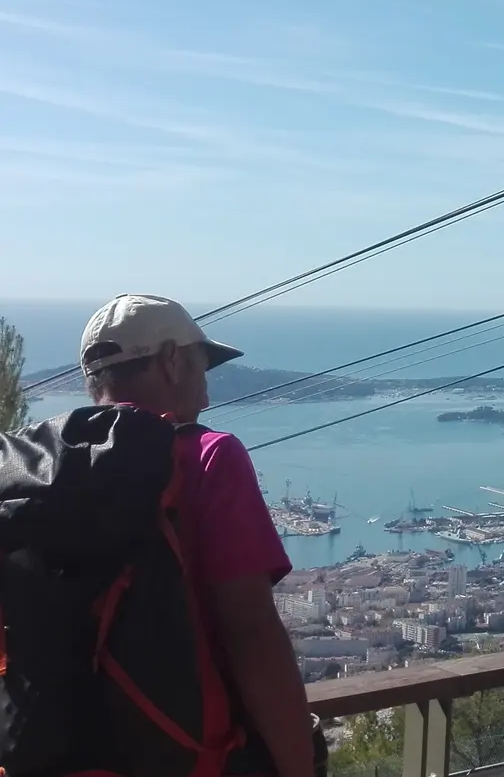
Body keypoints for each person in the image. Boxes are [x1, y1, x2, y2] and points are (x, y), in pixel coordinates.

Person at [81, 294, 318, 777]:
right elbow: (250, 633)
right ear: (171, 361)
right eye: (200, 369)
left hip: (72, 751)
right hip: (193, 757)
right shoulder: (210, 456)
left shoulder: (38, 469)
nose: (207, 396)